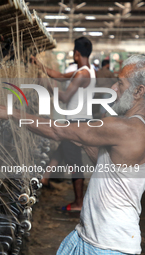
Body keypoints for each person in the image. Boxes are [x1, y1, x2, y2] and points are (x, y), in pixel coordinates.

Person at [0, 54, 145, 254]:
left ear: (139, 91)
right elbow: (109, 168)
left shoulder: (124, 128)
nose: (114, 88)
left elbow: (57, 130)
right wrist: (82, 139)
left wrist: (12, 113)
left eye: (120, 83)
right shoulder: (139, 128)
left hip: (106, 245)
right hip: (97, 236)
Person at [31, 37, 96, 212]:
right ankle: (45, 178)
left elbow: (65, 97)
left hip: (77, 123)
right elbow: (59, 75)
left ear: (76, 53)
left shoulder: (82, 74)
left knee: (74, 162)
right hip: (80, 121)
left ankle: (78, 203)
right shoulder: (88, 70)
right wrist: (39, 65)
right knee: (63, 150)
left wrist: (47, 85)